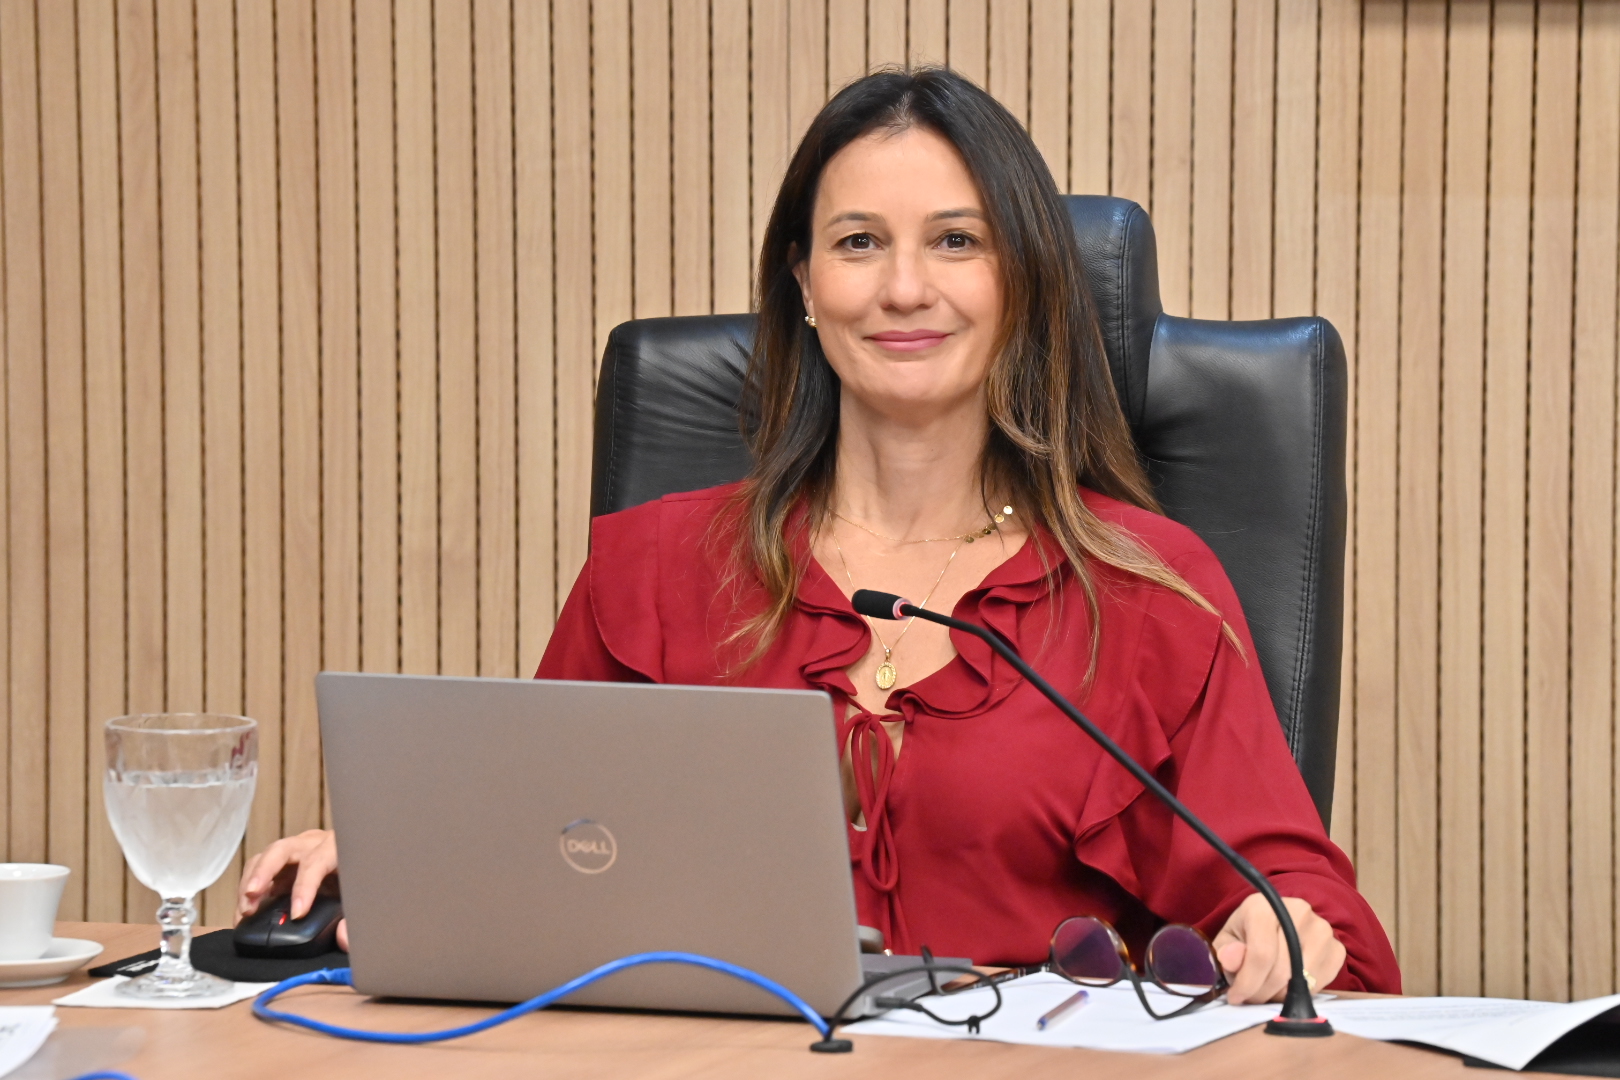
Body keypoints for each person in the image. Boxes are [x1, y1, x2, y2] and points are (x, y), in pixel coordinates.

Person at [240, 67, 1401, 1004]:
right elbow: (549, 847)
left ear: (1025, 282)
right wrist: (403, 861)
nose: (905, 288)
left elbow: (1314, 918)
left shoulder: (1145, 595)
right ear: (801, 282)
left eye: (957, 241)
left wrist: (1284, 928)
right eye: (857, 243)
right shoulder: (652, 572)